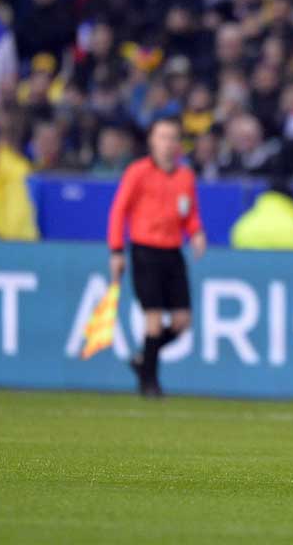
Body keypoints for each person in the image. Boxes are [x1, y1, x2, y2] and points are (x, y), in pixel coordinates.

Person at [107, 117, 206, 397]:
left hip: (173, 253)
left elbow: (189, 213)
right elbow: (118, 211)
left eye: (172, 137)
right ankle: (149, 383)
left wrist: (196, 232)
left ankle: (143, 361)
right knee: (153, 318)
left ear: (178, 144)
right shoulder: (138, 172)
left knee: (182, 322)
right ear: (152, 140)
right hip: (145, 251)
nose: (167, 143)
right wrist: (116, 250)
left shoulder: (185, 176)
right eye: (162, 137)